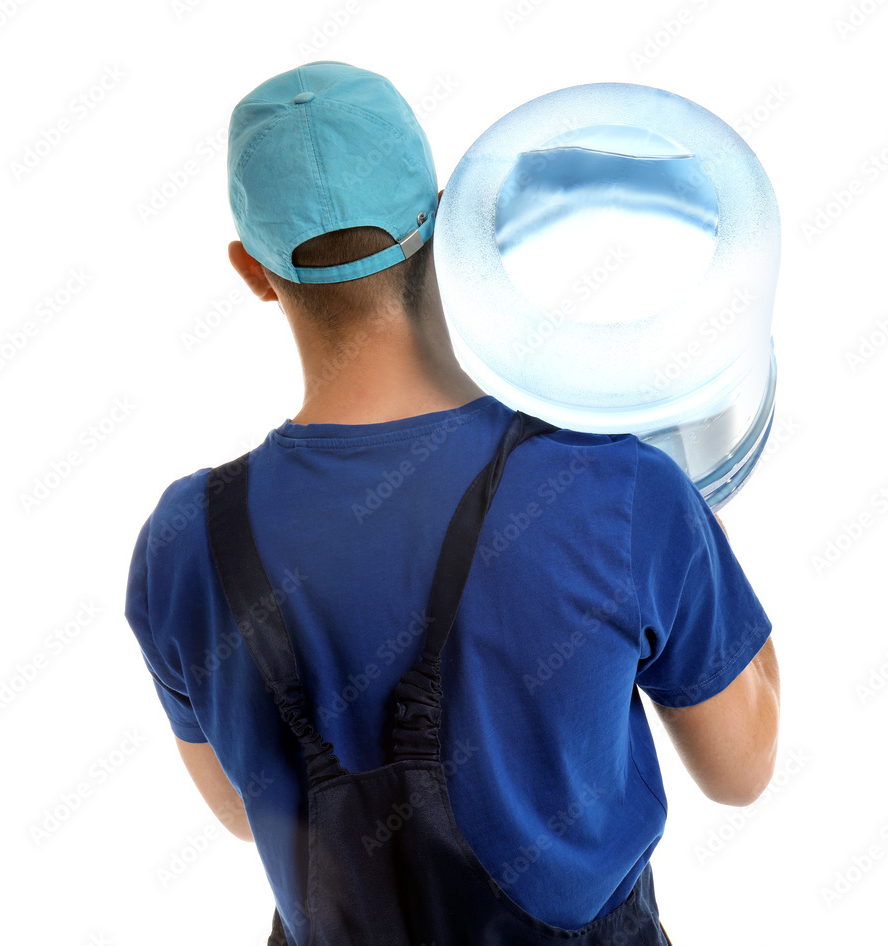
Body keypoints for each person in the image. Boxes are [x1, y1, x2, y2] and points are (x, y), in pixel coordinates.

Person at [124, 61, 780, 945]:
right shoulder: (618, 490)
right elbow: (743, 770)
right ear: (444, 221)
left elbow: (249, 813)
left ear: (252, 272)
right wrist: (699, 523)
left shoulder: (183, 543)